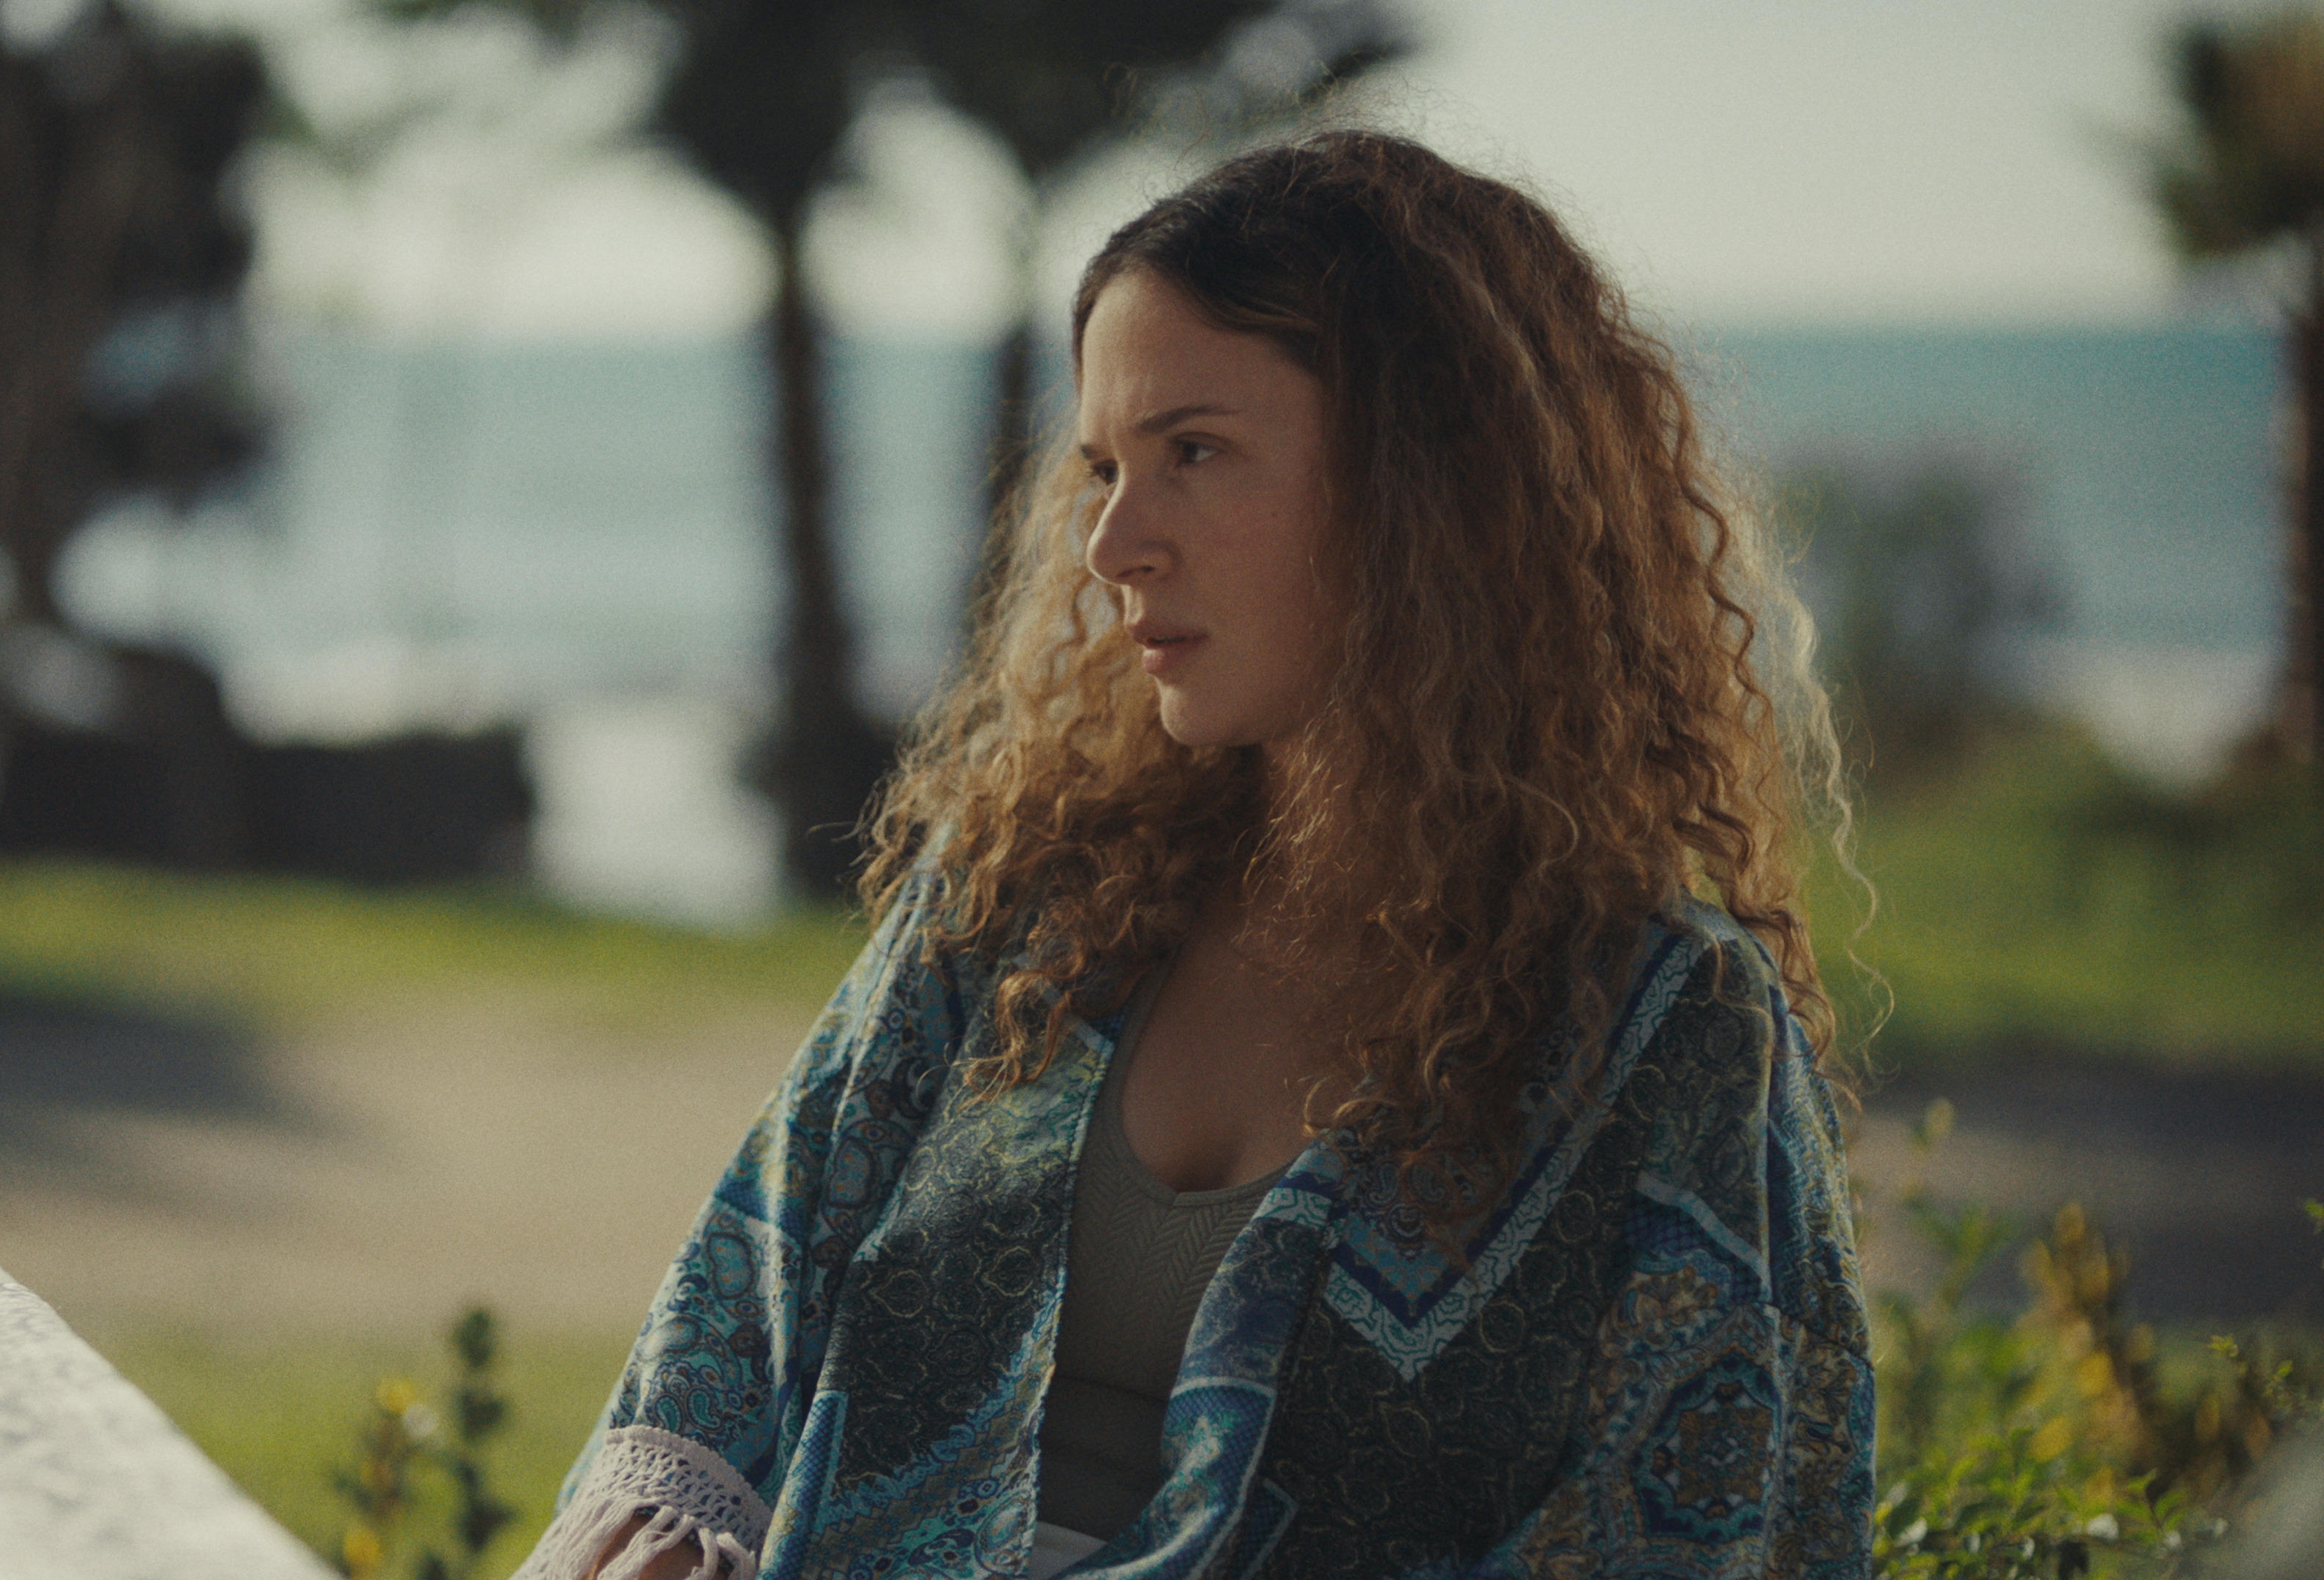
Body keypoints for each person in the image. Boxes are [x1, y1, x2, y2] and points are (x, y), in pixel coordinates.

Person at [516, 129, 1873, 1580]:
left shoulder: (1667, 1030)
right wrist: (669, 1539)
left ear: (1430, 485)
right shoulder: (1025, 899)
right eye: (1105, 467)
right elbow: (738, 1309)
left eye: (1195, 454)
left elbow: (1706, 1528)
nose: (1113, 545)